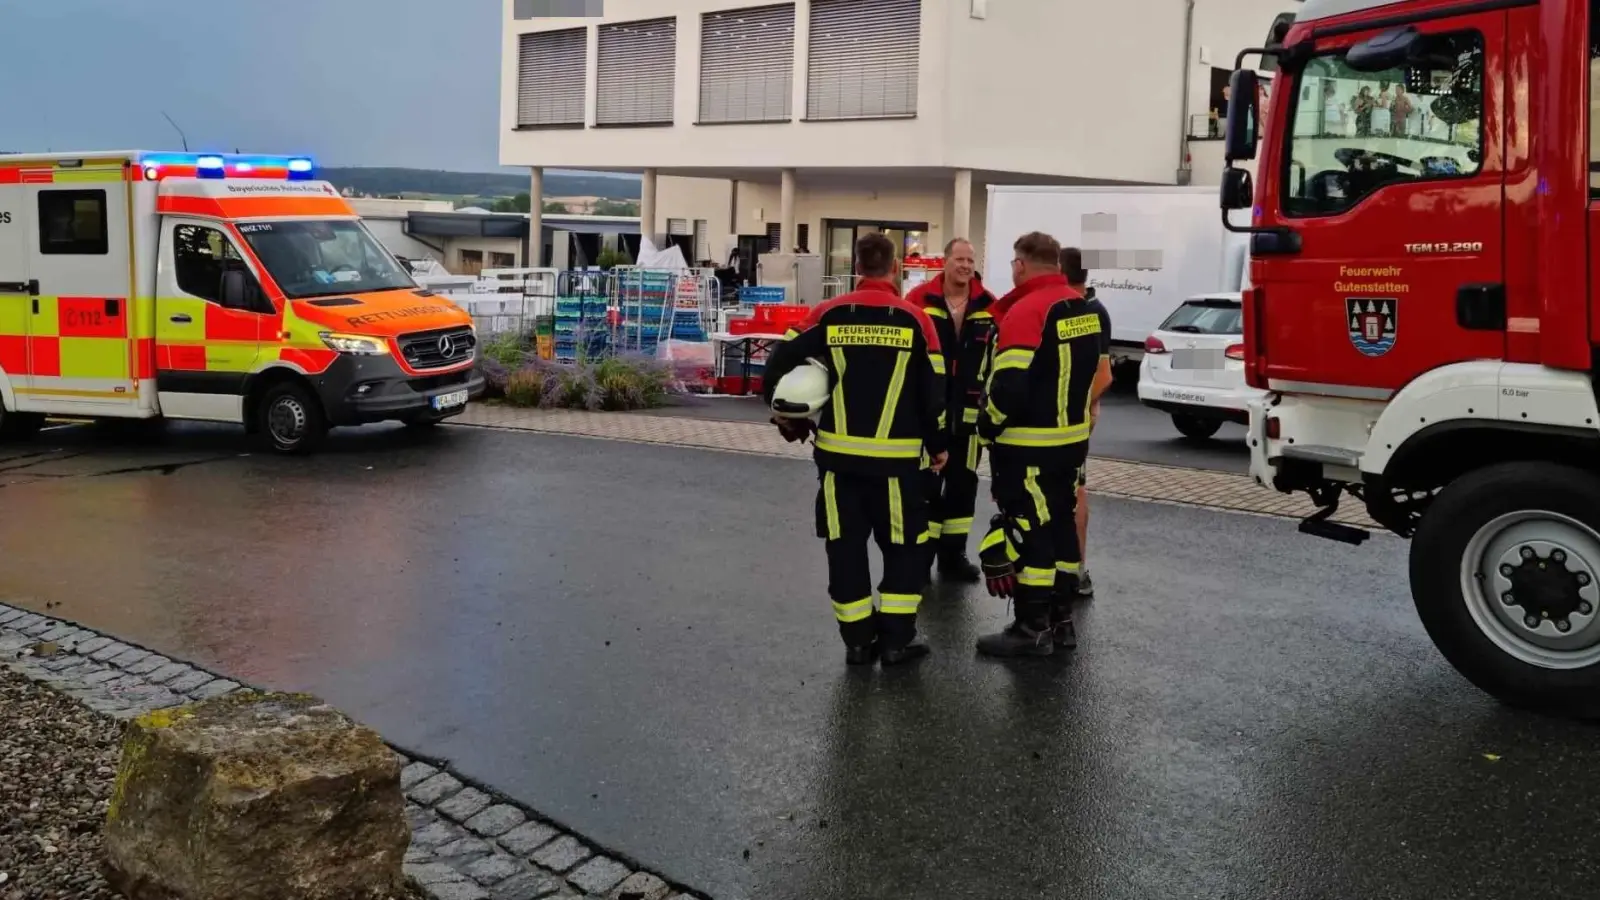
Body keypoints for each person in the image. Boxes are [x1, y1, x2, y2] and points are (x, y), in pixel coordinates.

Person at [763, 232, 950, 667]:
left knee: (845, 550)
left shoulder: (827, 314)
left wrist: (785, 412)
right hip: (898, 467)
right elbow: (933, 393)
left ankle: (858, 643)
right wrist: (939, 447)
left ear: (856, 269)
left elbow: (777, 360)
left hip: (838, 465)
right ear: (897, 269)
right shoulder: (917, 320)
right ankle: (897, 642)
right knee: (905, 549)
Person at [972, 232, 1108, 658]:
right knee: (1062, 529)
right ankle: (1061, 621)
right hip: (1070, 442)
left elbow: (1009, 385)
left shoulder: (1026, 310)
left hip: (1027, 446)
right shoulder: (1082, 308)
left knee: (1031, 533)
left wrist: (987, 425)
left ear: (1021, 264)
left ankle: (1030, 628)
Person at [905, 237, 998, 584]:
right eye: (959, 259)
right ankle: (920, 558)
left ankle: (953, 556)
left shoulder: (990, 305)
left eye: (970, 260)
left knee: (963, 489)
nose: (965, 265)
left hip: (970, 419)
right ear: (944, 262)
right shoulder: (918, 301)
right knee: (926, 488)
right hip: (929, 415)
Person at [1060, 247, 1115, 599]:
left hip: (1064, 422)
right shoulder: (1097, 311)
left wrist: (1078, 405)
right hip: (1076, 421)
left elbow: (1103, 374)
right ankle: (1074, 570)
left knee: (1072, 492)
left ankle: (1071, 570)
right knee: (1073, 490)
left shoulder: (1080, 312)